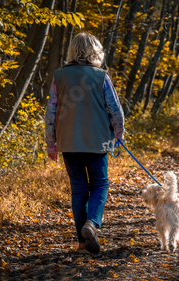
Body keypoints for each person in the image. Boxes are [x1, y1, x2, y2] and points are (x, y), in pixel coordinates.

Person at [44, 32, 124, 254]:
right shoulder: (101, 76)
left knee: (79, 189)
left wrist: (51, 144)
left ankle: (82, 243)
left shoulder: (59, 76)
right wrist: (119, 134)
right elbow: (115, 110)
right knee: (100, 184)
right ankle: (92, 224)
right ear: (95, 52)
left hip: (69, 144)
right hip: (98, 143)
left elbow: (50, 113)